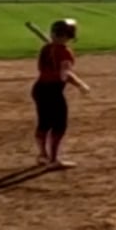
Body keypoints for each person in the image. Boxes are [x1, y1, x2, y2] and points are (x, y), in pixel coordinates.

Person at [34, 19, 90, 167]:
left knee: (44, 123)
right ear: (69, 35)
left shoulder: (46, 48)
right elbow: (65, 75)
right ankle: (53, 160)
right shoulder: (64, 52)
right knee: (59, 125)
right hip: (53, 91)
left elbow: (41, 68)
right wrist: (81, 85)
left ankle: (42, 156)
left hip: (39, 89)